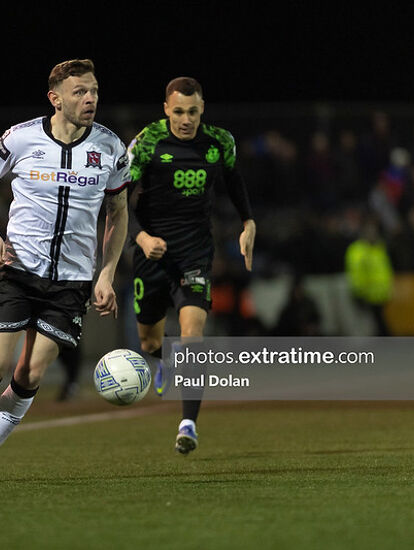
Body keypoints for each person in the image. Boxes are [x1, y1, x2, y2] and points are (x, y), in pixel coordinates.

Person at [0, 59, 129, 483]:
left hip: (72, 281)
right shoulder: (20, 138)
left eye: (94, 90)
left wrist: (106, 274)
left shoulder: (111, 148)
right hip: (19, 270)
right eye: (79, 91)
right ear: (55, 98)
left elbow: (118, 210)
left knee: (31, 373)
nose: (90, 98)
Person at [128, 77, 255, 455]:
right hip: (152, 252)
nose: (186, 120)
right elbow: (116, 201)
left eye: (193, 112)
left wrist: (249, 222)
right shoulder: (147, 142)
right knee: (150, 341)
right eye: (179, 112)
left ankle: (188, 424)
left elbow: (234, 182)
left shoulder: (220, 142)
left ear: (203, 109)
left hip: (195, 250)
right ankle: (164, 359)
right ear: (166, 109)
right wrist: (142, 238)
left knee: (192, 335)